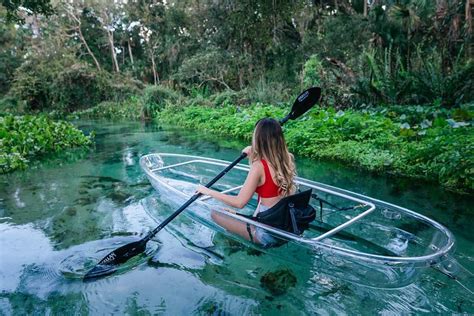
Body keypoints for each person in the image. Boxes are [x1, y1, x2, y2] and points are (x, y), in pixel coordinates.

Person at [196, 118, 297, 247]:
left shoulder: (259, 167)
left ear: (257, 139)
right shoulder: (287, 160)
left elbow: (239, 203)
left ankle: (235, 247)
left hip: (266, 235)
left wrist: (207, 191)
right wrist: (255, 152)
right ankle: (238, 243)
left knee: (215, 213)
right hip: (286, 230)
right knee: (233, 216)